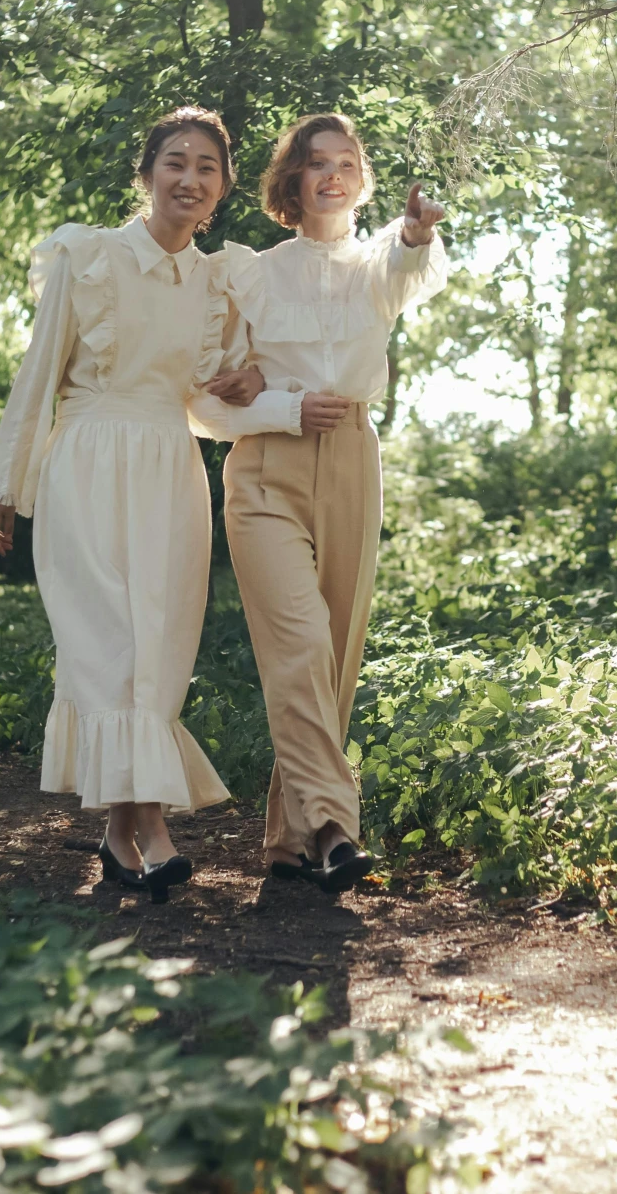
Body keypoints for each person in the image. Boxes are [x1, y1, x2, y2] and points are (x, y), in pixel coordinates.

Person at [0, 106, 286, 903]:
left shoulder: (214, 280)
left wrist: (254, 384)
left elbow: (208, 402)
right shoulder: (87, 256)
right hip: (85, 463)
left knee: (160, 649)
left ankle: (119, 836)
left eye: (207, 168)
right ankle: (152, 826)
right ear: (147, 173)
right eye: (176, 162)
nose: (190, 178)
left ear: (220, 190)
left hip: (172, 471)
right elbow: (37, 374)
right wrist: (5, 482)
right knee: (109, 646)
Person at [189, 112, 448, 894]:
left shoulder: (379, 265)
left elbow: (409, 268)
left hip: (353, 464)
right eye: (316, 162)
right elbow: (205, 407)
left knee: (334, 655)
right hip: (265, 471)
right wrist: (282, 406)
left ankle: (286, 833)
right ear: (291, 183)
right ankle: (336, 824)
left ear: (361, 179)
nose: (333, 173)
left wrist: (414, 230)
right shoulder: (251, 274)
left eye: (347, 161)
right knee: (300, 643)